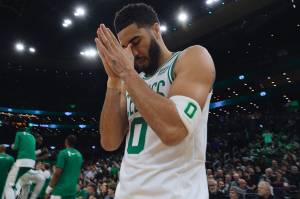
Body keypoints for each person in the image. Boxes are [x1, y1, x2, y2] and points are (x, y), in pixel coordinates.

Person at [96, 2, 215, 199]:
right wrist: (114, 81)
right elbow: (109, 142)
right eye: (125, 47)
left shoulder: (191, 58)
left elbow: (173, 130)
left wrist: (126, 73)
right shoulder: (132, 81)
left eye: (136, 41)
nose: (132, 53)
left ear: (156, 29)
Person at [45, 135, 83, 199]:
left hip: (60, 190)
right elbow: (78, 174)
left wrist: (48, 190)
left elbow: (57, 174)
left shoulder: (63, 153)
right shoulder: (79, 155)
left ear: (66, 141)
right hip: (72, 190)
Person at [4, 127, 36, 199]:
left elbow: (15, 147)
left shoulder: (19, 134)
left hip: (22, 161)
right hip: (32, 163)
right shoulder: (33, 137)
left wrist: (12, 146)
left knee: (8, 185)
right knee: (18, 181)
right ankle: (18, 194)